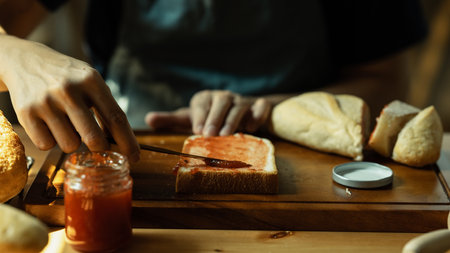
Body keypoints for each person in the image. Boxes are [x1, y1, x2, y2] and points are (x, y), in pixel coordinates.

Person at [0, 0, 427, 162]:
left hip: (304, 156)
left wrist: (274, 110)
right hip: (129, 150)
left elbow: (386, 82)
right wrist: (11, 52)